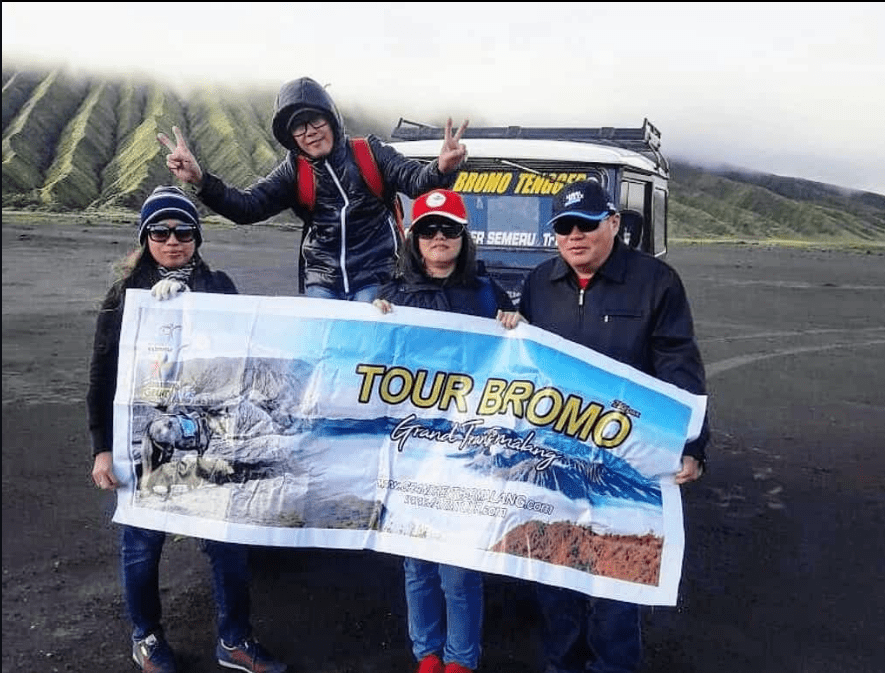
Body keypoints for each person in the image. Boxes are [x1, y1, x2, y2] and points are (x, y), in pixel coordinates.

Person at [503, 179, 709, 673]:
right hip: (555, 460)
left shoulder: (656, 282)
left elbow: (678, 364)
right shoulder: (539, 283)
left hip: (624, 463)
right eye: (564, 227)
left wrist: (693, 443)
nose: (575, 236)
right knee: (555, 577)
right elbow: (523, 364)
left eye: (587, 224)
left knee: (616, 582)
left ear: (613, 223)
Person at [87, 186, 287, 673]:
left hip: (210, 432)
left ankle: (235, 639)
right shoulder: (125, 297)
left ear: (197, 237)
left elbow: (245, 347)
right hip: (144, 438)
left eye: (183, 232)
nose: (172, 241)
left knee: (226, 541)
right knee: (142, 543)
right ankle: (147, 637)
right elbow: (101, 376)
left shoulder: (219, 285)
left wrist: (194, 307)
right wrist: (101, 449)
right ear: (145, 238)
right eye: (160, 232)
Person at [373, 189, 519, 673]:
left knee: (459, 566)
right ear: (414, 238)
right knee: (417, 562)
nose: (439, 237)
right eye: (428, 229)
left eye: (449, 229)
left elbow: (517, 364)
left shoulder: (487, 294)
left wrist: (515, 323)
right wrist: (370, 324)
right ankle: (427, 655)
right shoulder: (392, 295)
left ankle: (460, 659)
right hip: (411, 450)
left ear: (463, 236)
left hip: (466, 451)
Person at [157, 75, 468, 302]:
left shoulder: (369, 153)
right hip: (321, 281)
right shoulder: (294, 170)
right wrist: (200, 180)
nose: (310, 133)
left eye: (315, 121)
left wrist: (441, 168)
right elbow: (248, 207)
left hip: (376, 277)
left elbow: (416, 181)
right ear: (291, 137)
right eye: (298, 127)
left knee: (367, 351)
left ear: (332, 120)